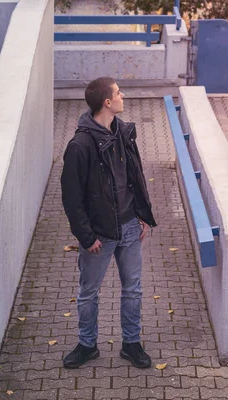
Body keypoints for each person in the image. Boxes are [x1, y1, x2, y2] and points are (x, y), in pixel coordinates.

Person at [60, 77, 157, 369]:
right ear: (107, 102)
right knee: (88, 292)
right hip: (100, 235)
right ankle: (87, 345)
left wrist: (141, 215)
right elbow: (71, 198)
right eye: (118, 93)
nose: (122, 95)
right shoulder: (79, 146)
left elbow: (135, 178)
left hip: (129, 227)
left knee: (133, 289)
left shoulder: (124, 133)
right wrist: (87, 237)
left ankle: (131, 344)